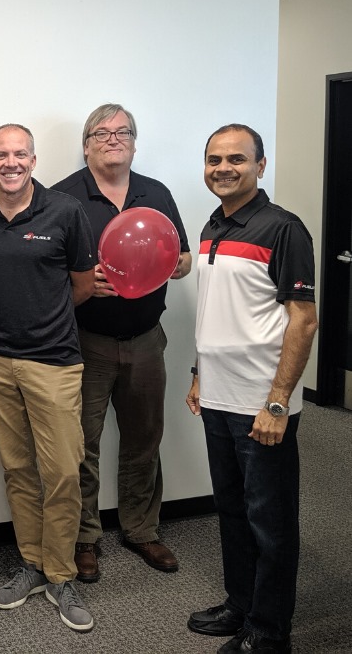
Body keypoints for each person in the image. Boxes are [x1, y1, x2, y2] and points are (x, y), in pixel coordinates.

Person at [0, 123, 96, 633]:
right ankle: (32, 565)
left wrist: (42, 319)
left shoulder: (66, 211)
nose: (10, 163)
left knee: (62, 472)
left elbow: (83, 285)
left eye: (20, 154)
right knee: (17, 469)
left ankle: (61, 574)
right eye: (1, 154)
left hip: (53, 361)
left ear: (34, 161)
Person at [186, 124, 317, 654]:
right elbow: (217, 311)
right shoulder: (212, 226)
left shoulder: (284, 229)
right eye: (214, 159)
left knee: (271, 522)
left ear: (261, 166)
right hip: (217, 396)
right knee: (233, 511)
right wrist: (199, 373)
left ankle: (269, 631)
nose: (224, 168)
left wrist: (278, 403)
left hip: (262, 403)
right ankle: (240, 606)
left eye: (236, 159)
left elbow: (304, 320)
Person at [52, 104, 191, 582]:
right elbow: (44, 269)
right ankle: (84, 538)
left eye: (123, 131)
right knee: (81, 445)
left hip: (147, 338)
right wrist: (80, 279)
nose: (113, 139)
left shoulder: (157, 193)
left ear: (134, 142)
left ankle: (141, 529)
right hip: (84, 342)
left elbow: (184, 258)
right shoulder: (62, 197)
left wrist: (174, 264)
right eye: (102, 132)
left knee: (144, 439)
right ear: (86, 144)